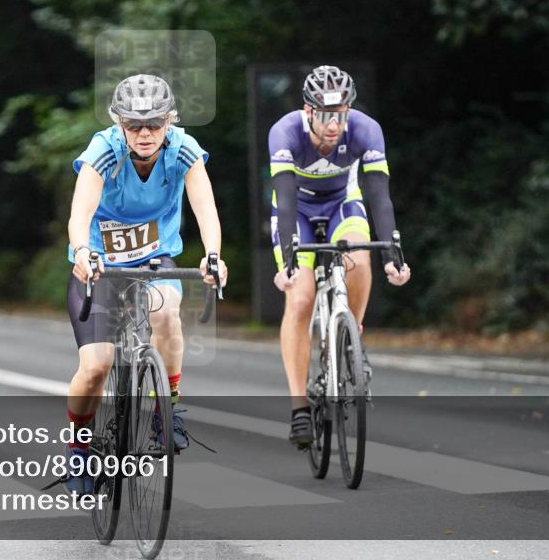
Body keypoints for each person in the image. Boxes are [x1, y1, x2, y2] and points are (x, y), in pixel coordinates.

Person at [64, 74, 228, 495]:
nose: (144, 134)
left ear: (170, 120)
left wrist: (213, 255)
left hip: (154, 258)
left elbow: (205, 207)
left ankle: (167, 409)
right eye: (133, 125)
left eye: (154, 124)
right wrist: (82, 250)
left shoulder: (183, 150)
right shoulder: (104, 150)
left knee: (167, 311)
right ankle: (79, 447)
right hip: (99, 265)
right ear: (117, 122)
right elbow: (80, 211)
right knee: (96, 367)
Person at [268, 65, 411, 448]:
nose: (334, 125)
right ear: (308, 110)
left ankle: (352, 337)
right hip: (295, 210)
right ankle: (300, 407)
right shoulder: (284, 132)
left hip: (341, 205)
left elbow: (379, 196)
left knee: (360, 258)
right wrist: (287, 262)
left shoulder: (366, 129)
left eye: (341, 114)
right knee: (299, 299)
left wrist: (393, 252)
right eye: (326, 115)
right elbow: (283, 204)